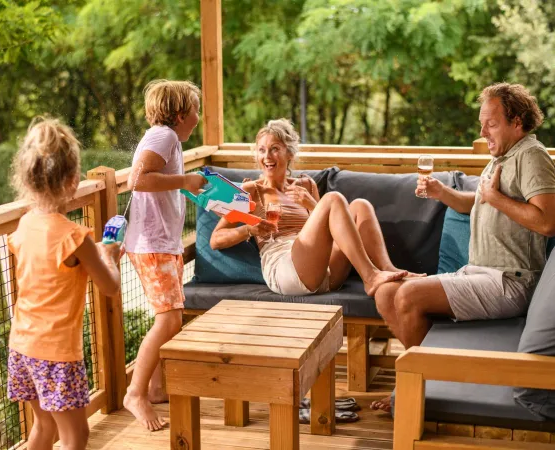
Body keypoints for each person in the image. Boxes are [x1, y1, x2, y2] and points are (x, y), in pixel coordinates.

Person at [371, 82, 555, 412]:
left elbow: (547, 222)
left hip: (509, 281)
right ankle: (430, 384)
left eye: (492, 123)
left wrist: (496, 198)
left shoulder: (531, 156)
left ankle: (420, 392)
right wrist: (444, 193)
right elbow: (482, 202)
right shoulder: (503, 156)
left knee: (408, 296)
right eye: (482, 123)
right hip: (478, 273)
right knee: (385, 293)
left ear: (517, 122)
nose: (483, 131)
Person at [7, 118, 122, 450]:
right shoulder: (74, 236)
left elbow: (49, 268)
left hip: (23, 346)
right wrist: (110, 255)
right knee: (76, 437)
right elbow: (110, 286)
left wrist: (94, 255)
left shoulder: (25, 224)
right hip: (57, 355)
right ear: (73, 181)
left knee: (43, 427)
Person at [211, 118, 416, 298]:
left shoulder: (306, 185)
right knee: (333, 198)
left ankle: (389, 271)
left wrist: (311, 204)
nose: (267, 156)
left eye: (275, 148)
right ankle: (370, 276)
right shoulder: (251, 191)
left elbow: (329, 228)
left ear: (289, 153)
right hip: (285, 268)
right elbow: (216, 239)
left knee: (361, 206)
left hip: (323, 270)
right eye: (262, 150)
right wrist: (248, 229)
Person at [122, 80, 206, 431]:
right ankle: (135, 392)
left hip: (161, 243)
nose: (199, 119)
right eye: (196, 111)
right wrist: (185, 181)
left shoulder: (166, 139)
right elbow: (137, 180)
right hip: (151, 243)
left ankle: (155, 388)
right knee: (170, 319)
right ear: (180, 114)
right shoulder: (164, 136)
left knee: (169, 316)